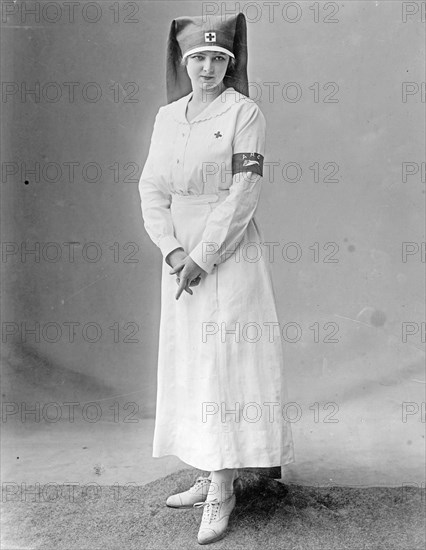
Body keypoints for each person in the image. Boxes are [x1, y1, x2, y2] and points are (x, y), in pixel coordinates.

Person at [138, 13, 294, 545]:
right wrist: (174, 249)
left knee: (224, 362)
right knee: (191, 361)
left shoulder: (244, 112)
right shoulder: (167, 116)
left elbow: (244, 193)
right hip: (179, 259)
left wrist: (203, 255)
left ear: (231, 63)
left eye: (217, 58)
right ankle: (209, 472)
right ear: (185, 63)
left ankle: (225, 487)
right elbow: (151, 187)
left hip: (228, 253)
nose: (207, 68)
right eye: (197, 58)